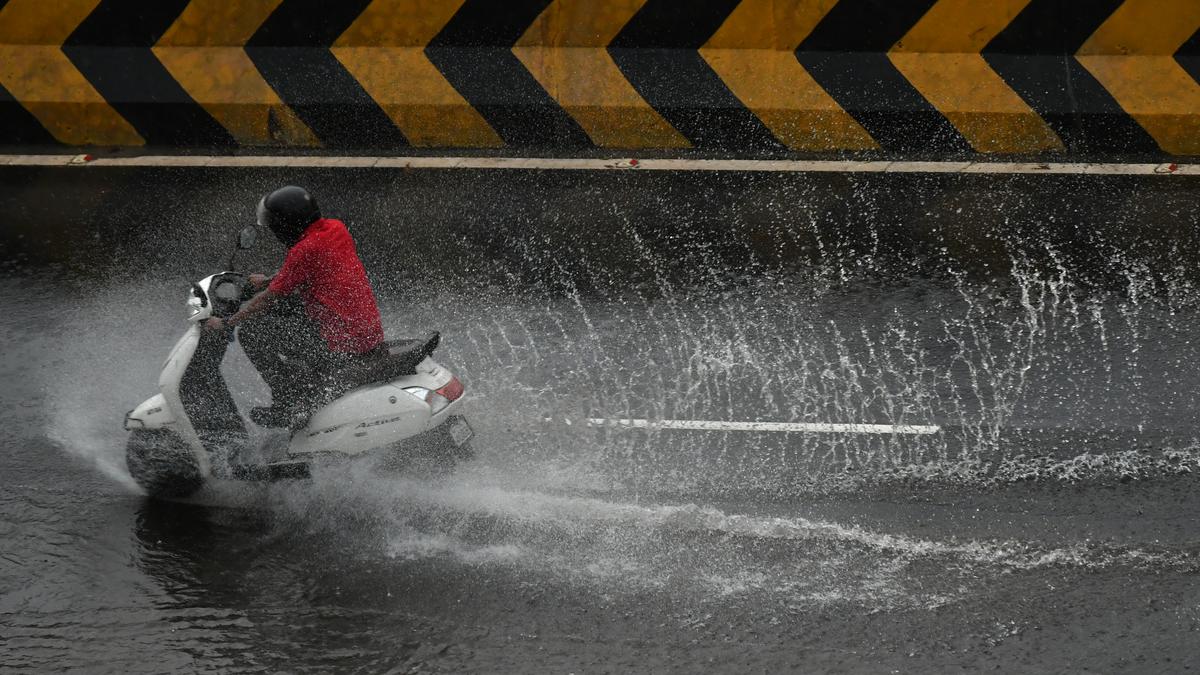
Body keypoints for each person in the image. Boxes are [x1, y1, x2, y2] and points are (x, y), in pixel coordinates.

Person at [204, 186, 385, 427]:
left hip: (342, 342)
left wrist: (227, 322)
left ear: (286, 226)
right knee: (289, 309)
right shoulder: (335, 228)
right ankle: (307, 381)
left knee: (253, 333)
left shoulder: (303, 250)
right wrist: (269, 280)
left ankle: (289, 403)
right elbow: (312, 268)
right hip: (364, 330)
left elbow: (268, 298)